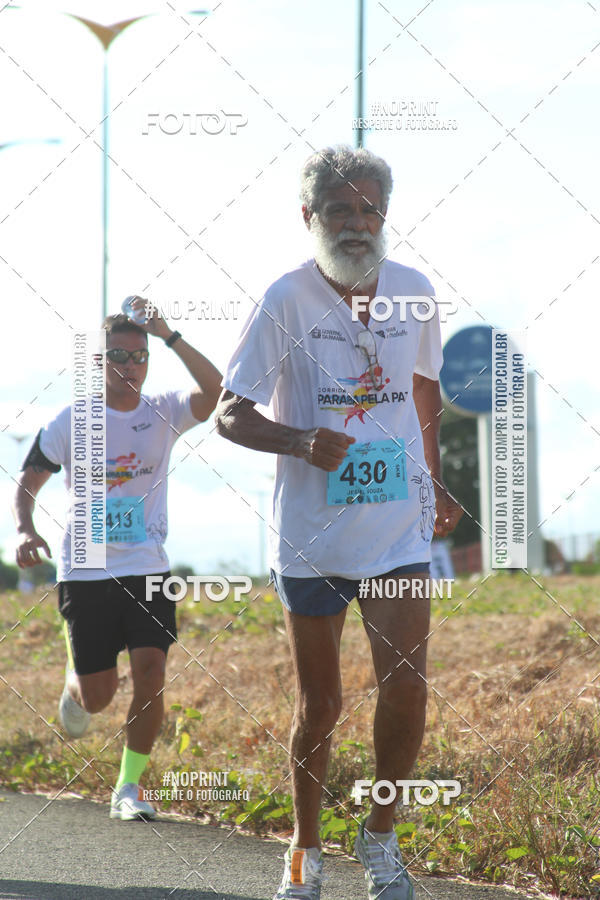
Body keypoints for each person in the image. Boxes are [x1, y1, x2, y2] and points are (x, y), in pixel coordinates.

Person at [214, 146, 463, 899]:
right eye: (340, 211)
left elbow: (423, 394)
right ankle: (305, 847)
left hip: (396, 530)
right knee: (320, 704)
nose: (357, 225)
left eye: (369, 211)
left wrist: (439, 480)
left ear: (385, 215)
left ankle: (380, 837)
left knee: (409, 689)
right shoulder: (285, 299)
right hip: (313, 537)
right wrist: (296, 440)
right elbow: (230, 413)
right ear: (309, 217)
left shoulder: (416, 292)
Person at [12, 301, 222, 821]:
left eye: (140, 357)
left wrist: (169, 335)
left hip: (148, 565)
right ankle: (75, 683)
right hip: (85, 570)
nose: (130, 366)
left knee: (152, 670)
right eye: (119, 357)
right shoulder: (73, 420)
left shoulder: (165, 410)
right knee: (98, 699)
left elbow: (217, 391)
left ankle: (129, 787)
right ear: (99, 361)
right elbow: (30, 477)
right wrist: (24, 527)